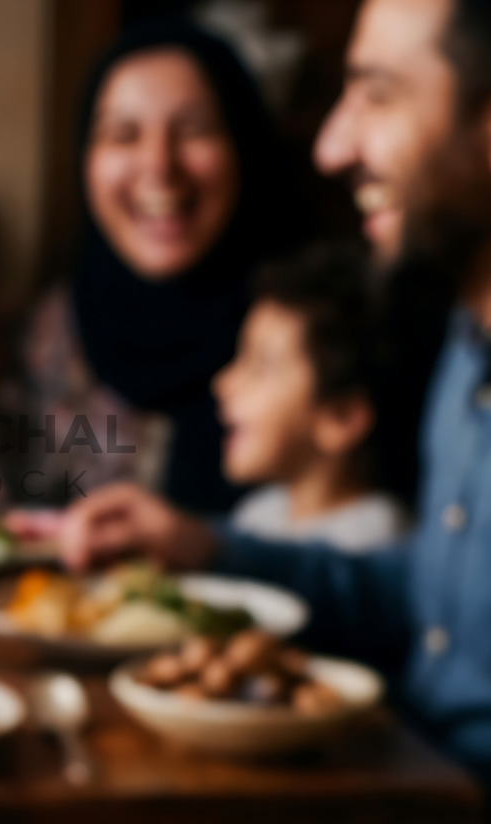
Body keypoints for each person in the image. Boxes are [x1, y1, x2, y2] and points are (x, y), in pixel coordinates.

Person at [59, 0, 491, 781]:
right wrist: (210, 547)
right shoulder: (469, 344)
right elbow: (430, 605)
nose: (331, 145)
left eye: (379, 94)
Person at [22, 20, 303, 513]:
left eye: (194, 130)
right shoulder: (58, 329)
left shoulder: (310, 328)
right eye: (123, 135)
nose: (158, 165)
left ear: (245, 147)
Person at [217, 244, 406, 553]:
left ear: (342, 417)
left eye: (260, 366)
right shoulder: (255, 517)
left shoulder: (377, 540)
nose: (224, 383)